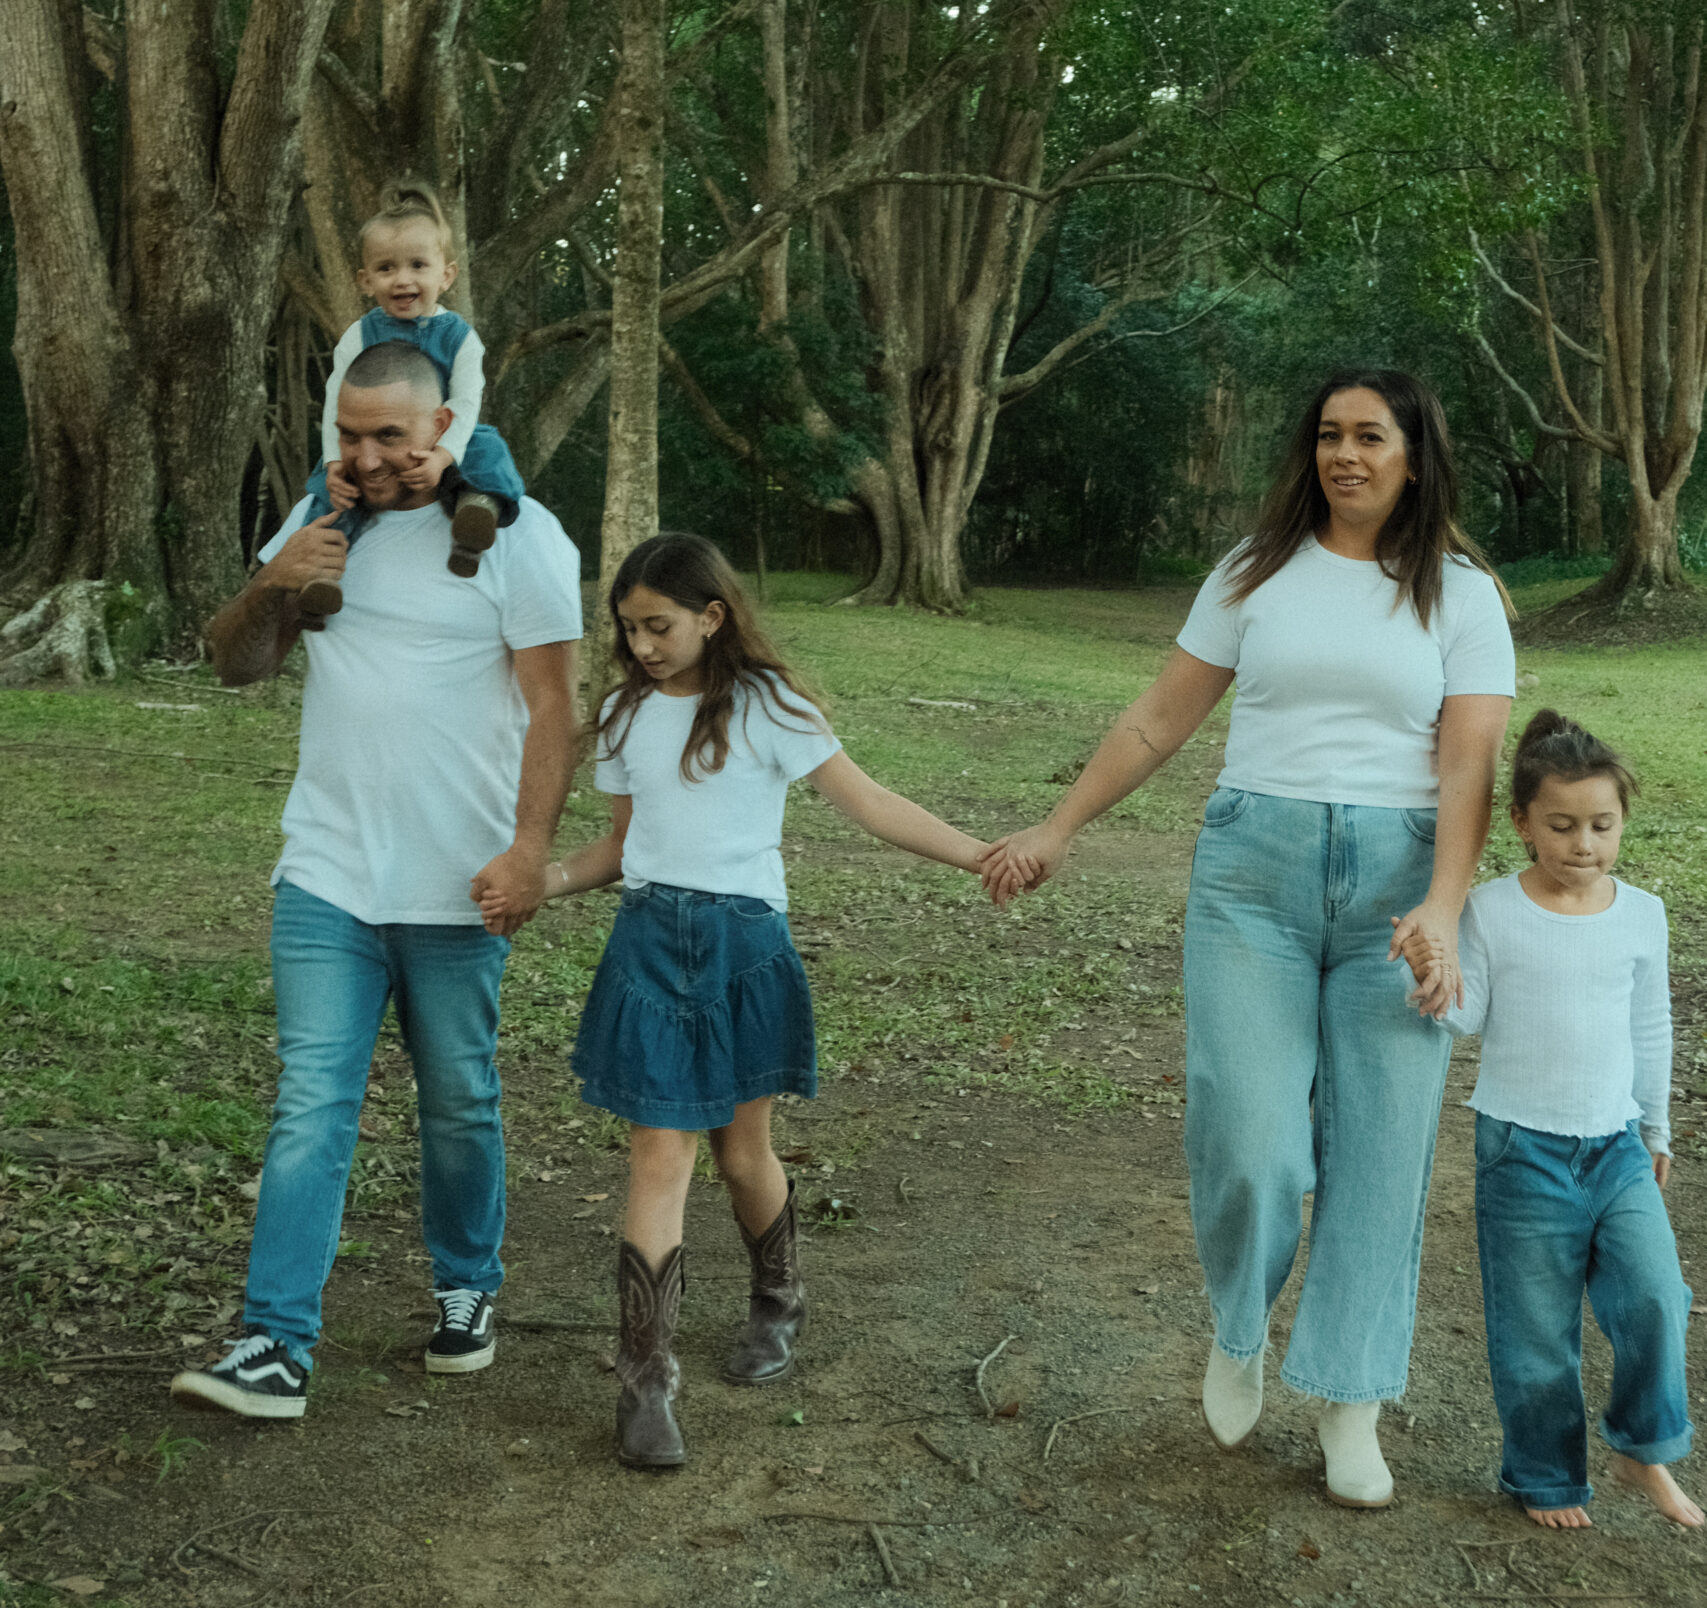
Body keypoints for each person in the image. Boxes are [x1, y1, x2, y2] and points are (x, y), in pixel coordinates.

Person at [982, 367, 1515, 1508]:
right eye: (1328, 434)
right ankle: (1240, 1329)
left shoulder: (1463, 596)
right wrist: (1060, 826)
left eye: (1370, 436)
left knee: (1383, 1154)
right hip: (1251, 881)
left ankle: (1350, 1402)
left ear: (1415, 456)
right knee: (1248, 1133)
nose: (1345, 455)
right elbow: (1158, 716)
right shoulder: (1254, 570)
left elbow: (1469, 763)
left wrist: (1443, 905)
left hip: (1400, 895)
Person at [495, 531, 997, 1471]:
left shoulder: (769, 705)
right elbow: (620, 847)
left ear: (712, 616)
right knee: (659, 1155)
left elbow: (870, 803)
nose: (642, 644)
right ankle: (646, 1381)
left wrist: (977, 855)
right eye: (629, 628)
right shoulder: (622, 714)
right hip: (649, 945)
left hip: (743, 949)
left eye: (660, 625)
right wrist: (542, 881)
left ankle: (778, 1297)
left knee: (740, 1152)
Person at [170, 340, 581, 1421]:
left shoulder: (518, 535)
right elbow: (235, 664)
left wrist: (530, 849)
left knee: (459, 1099)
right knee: (312, 1102)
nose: (367, 457)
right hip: (327, 873)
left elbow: (555, 706)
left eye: (389, 435)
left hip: (458, 881)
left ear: (442, 427)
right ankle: (274, 1341)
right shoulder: (322, 525)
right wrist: (273, 580)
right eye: (350, 435)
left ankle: (466, 1286)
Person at [1397, 710, 1699, 1530]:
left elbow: (1650, 1026)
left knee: (1654, 1297)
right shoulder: (1490, 910)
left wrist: (1655, 1129)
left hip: (1617, 1147)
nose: (1582, 844)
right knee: (1534, 1333)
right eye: (1561, 826)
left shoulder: (1641, 914)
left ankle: (1642, 1447)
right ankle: (1545, 1476)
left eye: (1601, 825)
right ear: (1522, 823)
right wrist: (1429, 976)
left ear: (1622, 822)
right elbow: (1466, 1018)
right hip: (1520, 1151)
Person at [296, 181, 527, 622]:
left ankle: (476, 513)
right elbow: (335, 403)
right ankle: (320, 575)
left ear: (446, 275)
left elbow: (466, 402)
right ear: (365, 281)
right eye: (386, 268)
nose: (403, 279)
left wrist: (443, 456)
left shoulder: (460, 338)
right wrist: (334, 462)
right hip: (377, 442)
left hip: (442, 437)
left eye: (418, 265)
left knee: (489, 448)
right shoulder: (358, 336)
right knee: (332, 495)